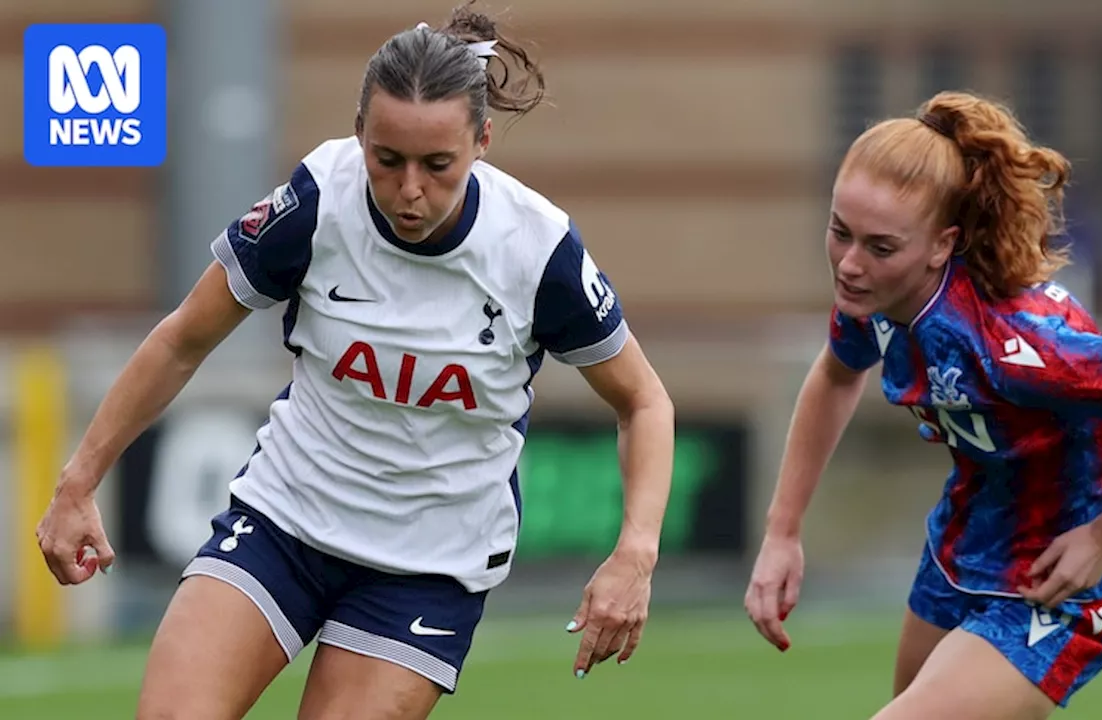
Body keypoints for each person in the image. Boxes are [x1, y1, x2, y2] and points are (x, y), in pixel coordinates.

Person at [35, 4, 675, 718]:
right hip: (286, 523)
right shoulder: (316, 202)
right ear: (359, 134)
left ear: (483, 141)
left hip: (428, 569)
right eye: (387, 159)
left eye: (438, 166)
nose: (409, 191)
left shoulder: (537, 251)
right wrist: (77, 482)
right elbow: (185, 337)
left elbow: (644, 402)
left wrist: (635, 553)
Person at [743, 90, 1102, 719]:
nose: (849, 265)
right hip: (960, 550)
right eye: (840, 233)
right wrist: (782, 531)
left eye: (880, 246)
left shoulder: (1019, 345)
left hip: (1061, 584)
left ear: (942, 245)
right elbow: (837, 375)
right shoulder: (878, 301)